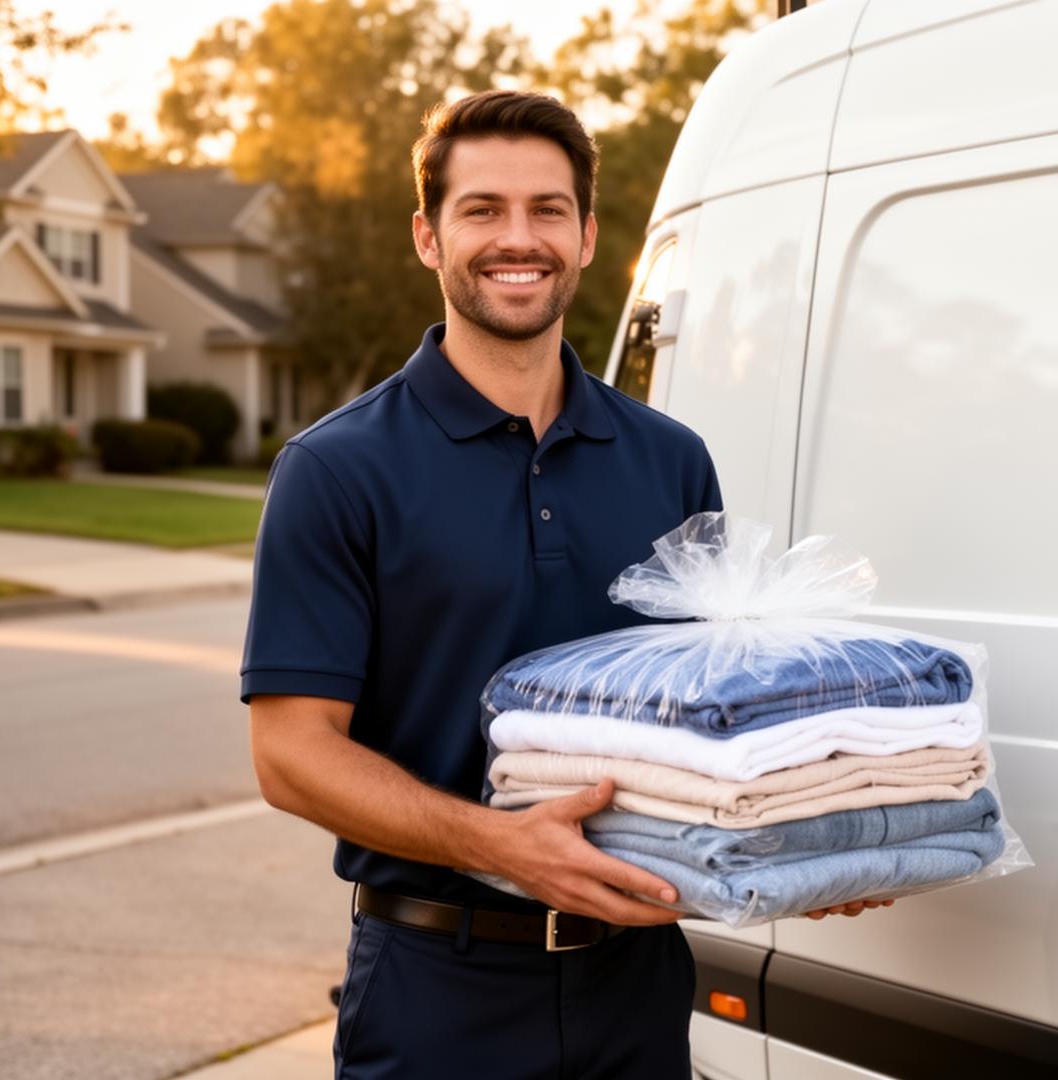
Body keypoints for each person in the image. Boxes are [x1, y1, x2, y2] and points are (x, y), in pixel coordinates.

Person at [241, 90, 882, 1080]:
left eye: (547, 210)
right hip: (437, 991)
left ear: (587, 238)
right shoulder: (338, 470)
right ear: (428, 236)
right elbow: (290, 754)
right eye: (482, 209)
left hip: (636, 982)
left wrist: (806, 839)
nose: (518, 238)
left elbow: (712, 714)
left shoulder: (669, 459)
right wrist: (500, 844)